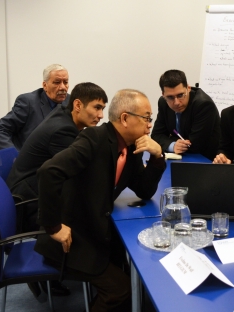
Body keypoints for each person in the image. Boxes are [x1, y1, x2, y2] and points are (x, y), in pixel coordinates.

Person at [34, 89, 166, 311]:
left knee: (136, 272)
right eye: (146, 118)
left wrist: (157, 156)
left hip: (97, 231)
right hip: (73, 238)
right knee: (121, 289)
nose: (149, 125)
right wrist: (53, 226)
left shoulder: (130, 147)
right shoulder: (93, 139)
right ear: (125, 118)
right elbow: (48, 172)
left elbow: (144, 190)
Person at [7, 82, 108, 233]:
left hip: (31, 188)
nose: (101, 116)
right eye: (97, 108)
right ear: (78, 105)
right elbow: (80, 173)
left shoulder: (63, 114)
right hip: (31, 203)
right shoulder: (63, 131)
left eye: (102, 109)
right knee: (93, 217)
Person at [0, 64, 70, 150]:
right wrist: (13, 156)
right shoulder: (28, 102)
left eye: (65, 82)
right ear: (45, 85)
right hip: (32, 160)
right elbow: (0, 130)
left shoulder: (71, 102)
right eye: (57, 82)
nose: (62, 87)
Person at [151, 69, 220, 160]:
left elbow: (195, 145)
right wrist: (173, 145)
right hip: (180, 158)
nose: (176, 102)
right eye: (170, 97)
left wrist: (171, 141)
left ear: (188, 88)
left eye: (180, 95)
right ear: (163, 95)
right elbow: (156, 135)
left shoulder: (203, 105)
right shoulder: (163, 103)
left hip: (204, 159)